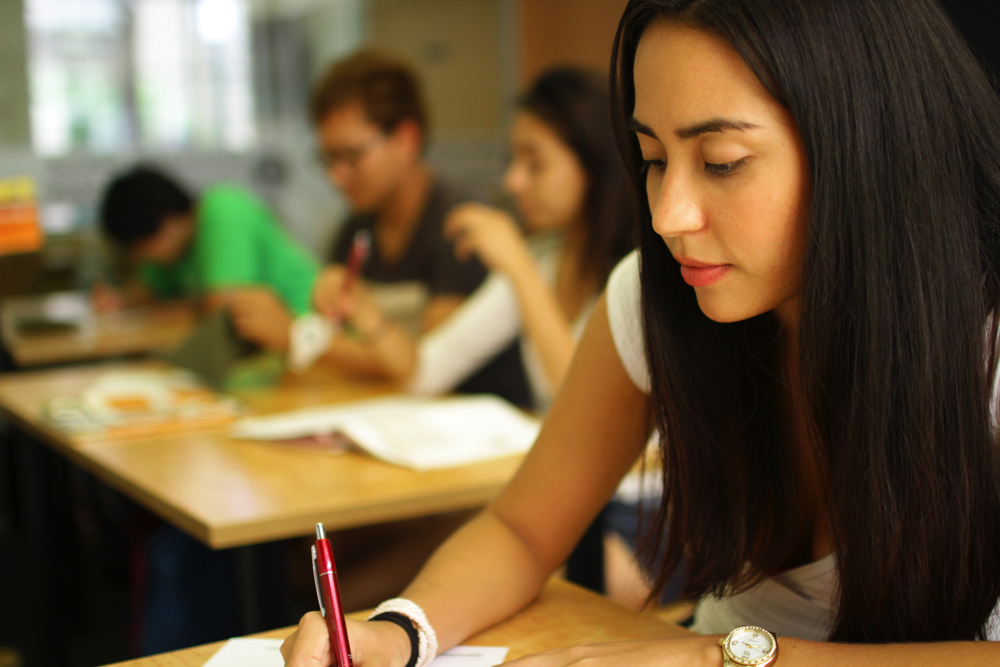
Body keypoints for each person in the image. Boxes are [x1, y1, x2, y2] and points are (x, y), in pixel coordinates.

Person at [283, 0, 1000, 664]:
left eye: (721, 162)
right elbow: (523, 528)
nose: (667, 216)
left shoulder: (982, 338)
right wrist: (400, 631)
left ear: (866, 145)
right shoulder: (655, 294)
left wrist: (712, 657)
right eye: (654, 160)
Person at [320, 67, 636, 411]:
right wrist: (363, 311)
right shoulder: (542, 259)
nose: (512, 181)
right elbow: (426, 372)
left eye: (535, 164)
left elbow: (589, 405)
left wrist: (519, 267)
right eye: (512, 161)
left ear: (595, 164)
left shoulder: (635, 273)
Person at [232, 51, 528, 402]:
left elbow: (425, 364)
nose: (336, 175)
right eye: (328, 159)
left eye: (352, 156)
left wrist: (296, 338)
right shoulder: (356, 226)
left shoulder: (461, 223)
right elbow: (341, 336)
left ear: (406, 139)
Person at [97, 165, 319, 344]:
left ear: (167, 224)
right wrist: (120, 301)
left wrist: (162, 310)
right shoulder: (173, 254)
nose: (142, 259)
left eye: (142, 248)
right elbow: (146, 296)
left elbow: (223, 309)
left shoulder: (223, 211)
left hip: (311, 329)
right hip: (269, 347)